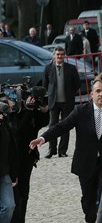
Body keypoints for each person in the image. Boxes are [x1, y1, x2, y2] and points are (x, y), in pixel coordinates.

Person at [29, 79, 102, 223]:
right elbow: (62, 126)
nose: (101, 94)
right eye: (98, 91)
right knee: (88, 198)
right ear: (91, 94)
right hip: (86, 163)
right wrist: (43, 138)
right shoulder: (81, 111)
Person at [11, 92, 50, 223]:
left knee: (24, 193)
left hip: (27, 157)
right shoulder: (12, 114)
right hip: (12, 159)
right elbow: (19, 130)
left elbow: (43, 122)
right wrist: (27, 110)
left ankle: (21, 219)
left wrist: (44, 110)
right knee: (14, 194)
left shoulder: (32, 111)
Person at [43, 46, 80, 158]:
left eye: (61, 54)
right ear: (54, 55)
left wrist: (69, 94)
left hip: (67, 102)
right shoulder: (48, 68)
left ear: (64, 55)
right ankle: (51, 149)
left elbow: (77, 84)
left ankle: (62, 150)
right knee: (52, 126)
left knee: (66, 126)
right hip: (53, 102)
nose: (59, 56)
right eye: (57, 54)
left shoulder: (71, 68)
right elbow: (45, 85)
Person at [0, 93, 18, 223]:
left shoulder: (5, 124)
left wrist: (13, 173)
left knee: (9, 206)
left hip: (3, 172)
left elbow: (11, 149)